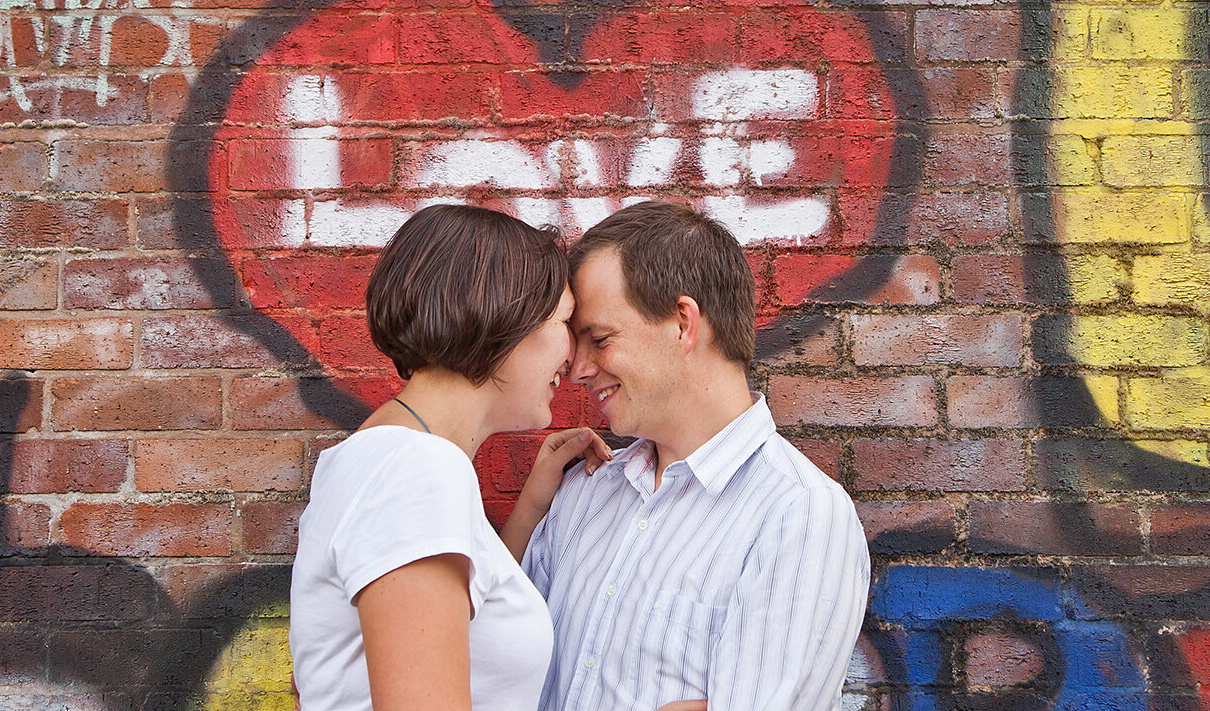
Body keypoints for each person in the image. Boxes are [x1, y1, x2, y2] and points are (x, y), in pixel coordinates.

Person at [506, 201, 872, 711]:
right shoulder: (585, 490)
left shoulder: (799, 516)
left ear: (683, 323)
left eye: (601, 339)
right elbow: (495, 668)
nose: (578, 370)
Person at [288, 203, 608, 711]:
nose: (573, 355)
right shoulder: (415, 472)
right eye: (565, 322)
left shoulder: (386, 459)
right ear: (503, 317)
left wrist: (528, 509)